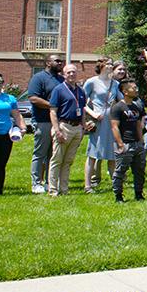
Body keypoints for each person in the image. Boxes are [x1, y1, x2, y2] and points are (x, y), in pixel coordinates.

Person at [48, 63, 88, 196]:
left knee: (68, 161)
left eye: (74, 72)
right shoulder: (58, 90)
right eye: (68, 72)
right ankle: (53, 189)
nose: (71, 74)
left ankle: (64, 189)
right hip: (63, 126)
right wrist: (57, 130)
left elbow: (82, 110)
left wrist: (83, 128)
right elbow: (53, 111)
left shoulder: (81, 91)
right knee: (57, 159)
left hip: (77, 127)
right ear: (64, 75)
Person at [25, 54, 63, 194]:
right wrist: (53, 106)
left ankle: (49, 182)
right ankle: (36, 183)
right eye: (57, 60)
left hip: (58, 122)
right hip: (43, 121)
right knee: (40, 153)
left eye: (61, 61)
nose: (60, 63)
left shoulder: (61, 79)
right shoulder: (38, 78)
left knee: (52, 154)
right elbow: (33, 98)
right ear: (48, 63)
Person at [82, 59, 120, 193]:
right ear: (101, 66)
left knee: (112, 154)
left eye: (111, 64)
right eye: (108, 64)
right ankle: (88, 185)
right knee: (93, 154)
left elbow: (121, 101)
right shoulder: (91, 82)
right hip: (98, 121)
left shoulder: (115, 84)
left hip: (112, 122)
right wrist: (93, 113)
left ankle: (116, 184)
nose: (110, 66)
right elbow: (81, 102)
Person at [109, 79, 146, 202]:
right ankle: (118, 196)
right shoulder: (117, 107)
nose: (136, 90)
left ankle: (139, 194)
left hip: (137, 144)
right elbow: (114, 126)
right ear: (125, 91)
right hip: (124, 143)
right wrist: (120, 144)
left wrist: (141, 141)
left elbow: (138, 125)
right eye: (133, 88)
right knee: (120, 171)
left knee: (139, 170)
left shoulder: (136, 106)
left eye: (136, 88)